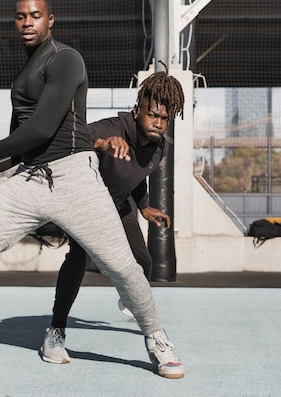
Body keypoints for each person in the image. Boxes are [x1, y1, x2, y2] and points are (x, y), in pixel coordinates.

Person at [0, 0, 184, 381]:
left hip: (73, 177)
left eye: (36, 15)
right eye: (20, 17)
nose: (28, 22)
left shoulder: (66, 60)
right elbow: (22, 145)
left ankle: (156, 339)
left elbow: (44, 127)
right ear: (15, 23)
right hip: (30, 179)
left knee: (125, 268)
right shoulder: (21, 77)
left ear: (51, 21)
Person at [42, 70, 185, 365]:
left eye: (165, 118)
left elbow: (138, 173)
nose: (158, 122)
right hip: (86, 201)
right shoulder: (111, 128)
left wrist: (144, 206)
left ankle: (130, 299)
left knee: (144, 262)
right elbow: (70, 140)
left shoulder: (161, 146)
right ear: (137, 111)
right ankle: (55, 331)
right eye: (153, 115)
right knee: (78, 259)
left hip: (117, 204)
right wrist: (102, 144)